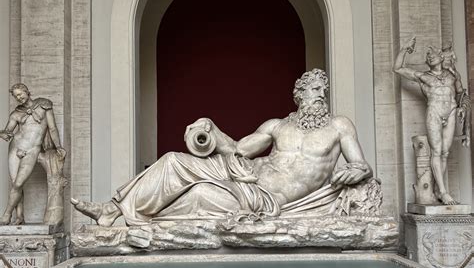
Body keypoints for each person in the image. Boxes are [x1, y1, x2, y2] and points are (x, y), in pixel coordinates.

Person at [72, 68, 373, 225]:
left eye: (324, 90)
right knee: (173, 160)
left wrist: (357, 171)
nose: (321, 95)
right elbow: (238, 150)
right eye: (315, 89)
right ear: (300, 93)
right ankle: (112, 210)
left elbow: (361, 165)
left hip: (264, 198)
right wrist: (210, 127)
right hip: (245, 173)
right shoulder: (277, 126)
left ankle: (138, 219)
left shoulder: (339, 126)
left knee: (200, 194)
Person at [393, 38, 470, 205]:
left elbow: (461, 94)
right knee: (436, 151)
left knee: (445, 153)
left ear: (441, 57)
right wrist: (405, 49)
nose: (430, 56)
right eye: (427, 55)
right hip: (434, 112)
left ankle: (437, 190)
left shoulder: (452, 75)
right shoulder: (423, 77)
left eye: (433, 53)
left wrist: (463, 107)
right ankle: (443, 191)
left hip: (451, 111)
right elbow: (397, 68)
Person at [0, 83, 66, 224]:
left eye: (20, 94)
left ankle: (6, 215)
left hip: (32, 149)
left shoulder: (44, 105)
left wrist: (58, 146)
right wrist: (3, 133)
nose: (19, 98)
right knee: (15, 184)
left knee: (18, 184)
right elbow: (8, 132)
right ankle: (20, 217)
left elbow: (52, 128)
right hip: (15, 148)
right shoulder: (16, 113)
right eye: (16, 96)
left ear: (27, 91)